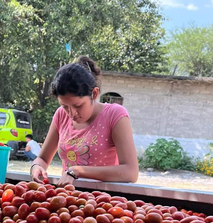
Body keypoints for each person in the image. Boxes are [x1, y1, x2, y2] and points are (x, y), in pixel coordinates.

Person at [30, 56, 139, 186]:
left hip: (103, 202)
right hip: (68, 200)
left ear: (94, 94)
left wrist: (77, 171)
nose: (71, 114)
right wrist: (36, 167)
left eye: (78, 106)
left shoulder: (114, 115)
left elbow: (130, 172)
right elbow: (42, 158)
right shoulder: (60, 115)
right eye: (65, 106)